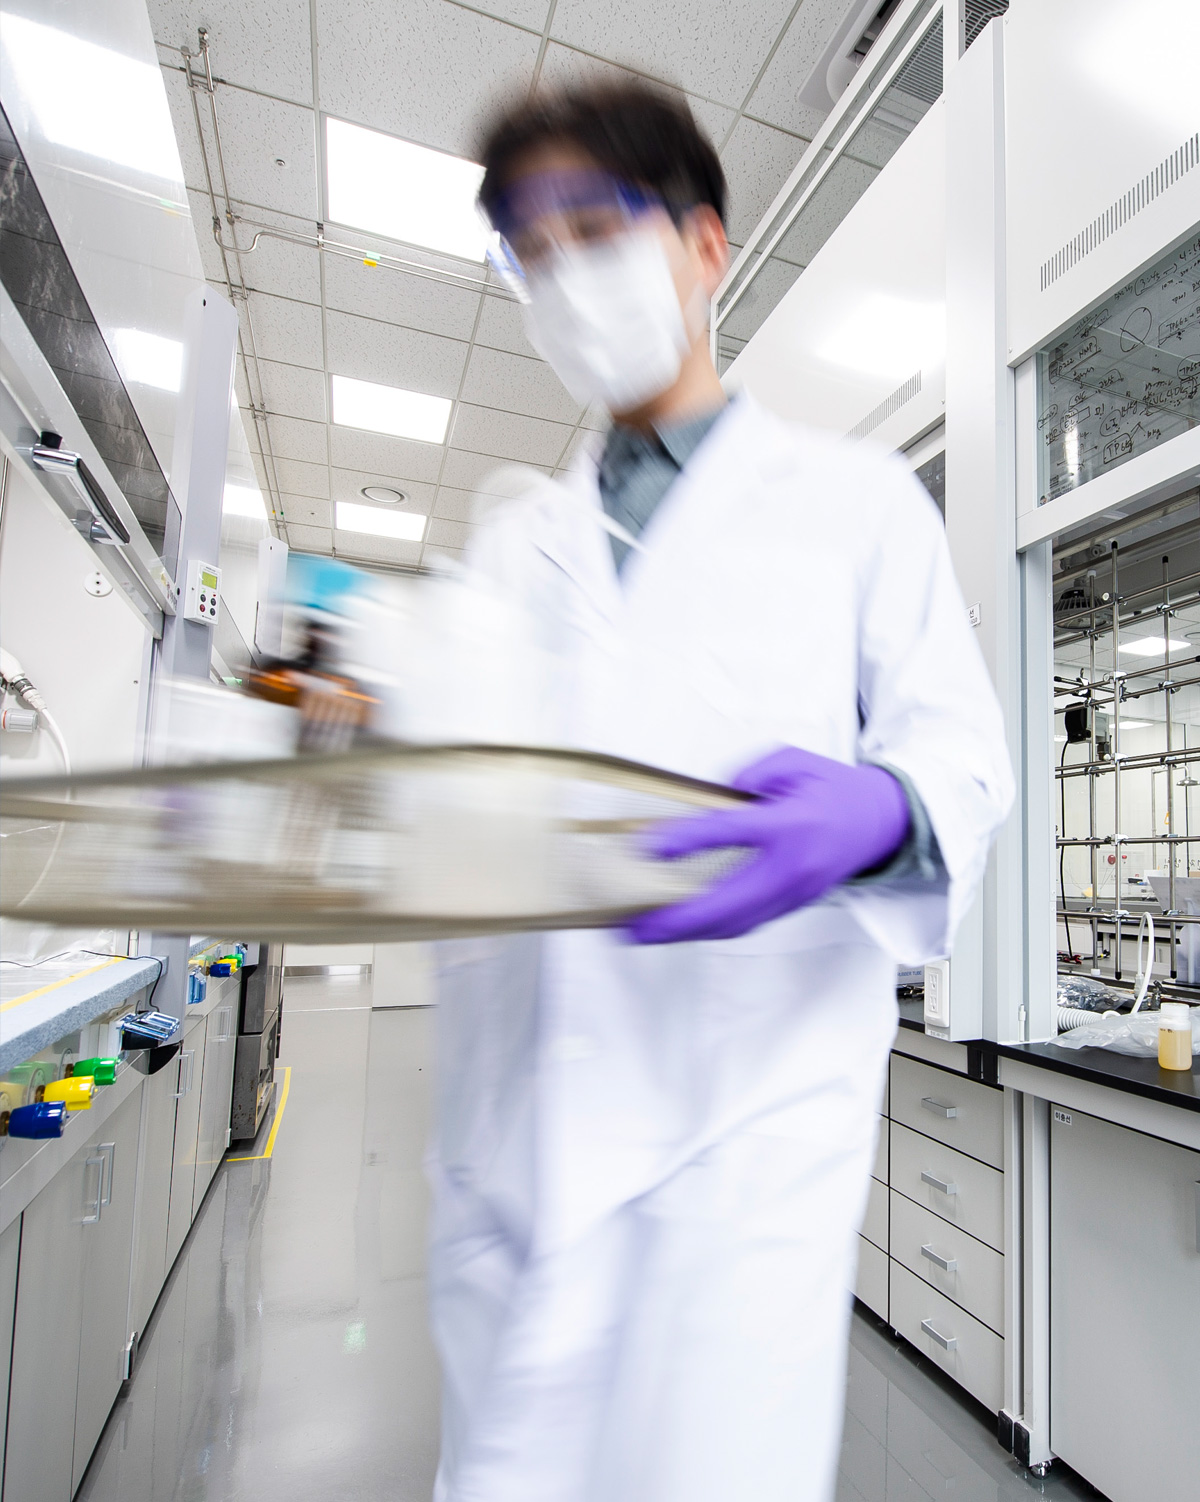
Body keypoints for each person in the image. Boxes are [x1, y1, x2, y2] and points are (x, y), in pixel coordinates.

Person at [427, 80, 1013, 1502]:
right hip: (517, 1151)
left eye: (593, 228)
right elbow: (451, 804)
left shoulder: (857, 504)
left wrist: (880, 813)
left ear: (703, 246)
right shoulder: (512, 554)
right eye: (528, 249)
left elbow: (963, 756)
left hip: (743, 1151)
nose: (563, 275)